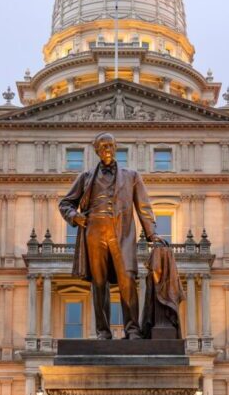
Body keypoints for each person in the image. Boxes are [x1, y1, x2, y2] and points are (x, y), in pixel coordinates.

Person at [58, 132, 160, 338]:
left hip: (122, 233)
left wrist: (153, 234)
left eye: (111, 146)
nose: (107, 150)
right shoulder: (86, 177)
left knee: (128, 280)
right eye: (103, 146)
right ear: (96, 150)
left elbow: (144, 208)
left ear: (116, 148)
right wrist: (74, 217)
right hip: (94, 232)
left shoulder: (132, 176)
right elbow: (65, 203)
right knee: (99, 283)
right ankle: (103, 332)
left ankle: (132, 330)